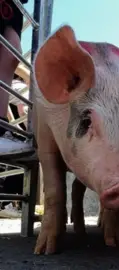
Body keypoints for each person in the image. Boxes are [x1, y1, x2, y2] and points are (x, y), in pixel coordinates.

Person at [0, 0, 33, 218]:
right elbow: (22, 107)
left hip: (12, 7)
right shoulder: (20, 89)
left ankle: (1, 127)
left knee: (11, 50)